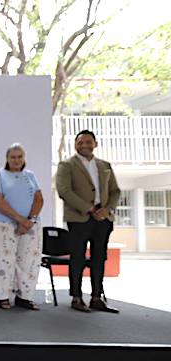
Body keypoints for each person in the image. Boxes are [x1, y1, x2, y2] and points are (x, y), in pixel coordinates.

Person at [56, 130, 121, 314]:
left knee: (99, 258)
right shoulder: (67, 165)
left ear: (95, 144)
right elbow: (64, 191)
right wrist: (90, 209)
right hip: (79, 218)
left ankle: (96, 297)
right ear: (75, 145)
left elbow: (115, 191)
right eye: (80, 142)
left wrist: (106, 210)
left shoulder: (105, 165)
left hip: (103, 219)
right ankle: (76, 297)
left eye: (88, 141)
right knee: (77, 257)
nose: (84, 145)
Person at [0, 143, 43, 310]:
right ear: (7, 159)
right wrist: (20, 220)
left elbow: (39, 199)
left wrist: (29, 220)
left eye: (19, 157)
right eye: (13, 157)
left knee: (29, 261)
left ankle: (25, 297)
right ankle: (2, 296)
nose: (16, 160)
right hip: (2, 224)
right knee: (4, 261)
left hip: (30, 226)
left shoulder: (30, 175)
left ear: (24, 158)